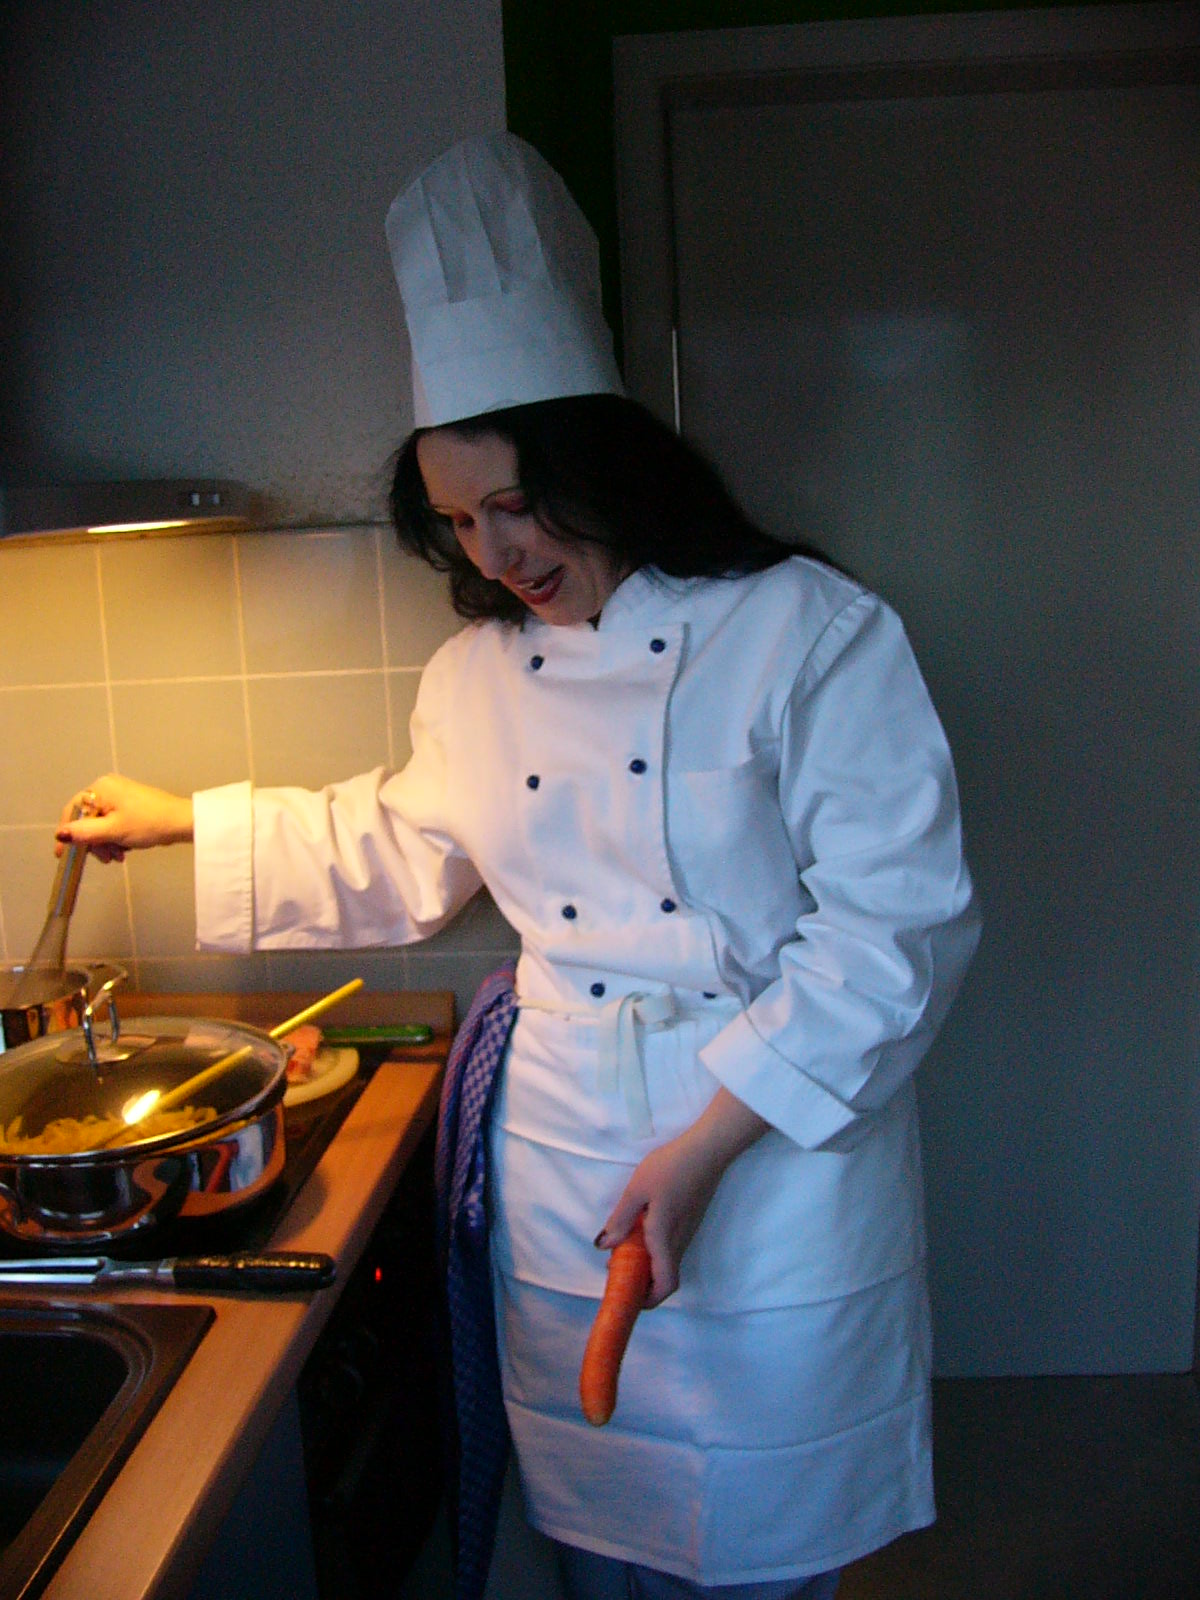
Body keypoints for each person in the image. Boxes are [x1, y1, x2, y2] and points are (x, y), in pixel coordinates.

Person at [58, 133, 980, 1600]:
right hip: (566, 1150)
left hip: (773, 1149)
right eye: (456, 521)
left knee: (764, 1539)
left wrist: (704, 1150)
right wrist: (187, 821)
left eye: (514, 506)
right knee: (601, 1532)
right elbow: (404, 845)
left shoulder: (808, 630)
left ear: (600, 467)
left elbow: (899, 930)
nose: (492, 554)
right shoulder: (478, 674)